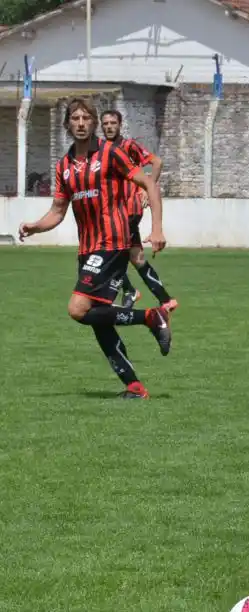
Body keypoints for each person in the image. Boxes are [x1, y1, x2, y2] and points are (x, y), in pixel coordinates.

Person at [19, 98, 173, 399]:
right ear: (67, 124)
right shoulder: (64, 166)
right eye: (75, 118)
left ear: (93, 123)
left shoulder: (111, 154)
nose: (80, 123)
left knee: (77, 309)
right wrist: (35, 226)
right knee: (99, 318)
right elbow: (58, 211)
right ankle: (134, 386)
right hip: (87, 249)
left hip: (113, 242)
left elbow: (150, 184)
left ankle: (151, 317)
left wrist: (156, 228)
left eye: (86, 118)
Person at [100, 110, 177, 310]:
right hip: (114, 211)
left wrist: (146, 189)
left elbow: (156, 162)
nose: (109, 126)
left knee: (106, 253)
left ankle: (126, 292)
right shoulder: (102, 150)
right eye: (105, 123)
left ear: (120, 124)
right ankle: (166, 300)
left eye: (113, 123)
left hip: (129, 210)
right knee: (136, 257)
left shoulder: (128, 146)